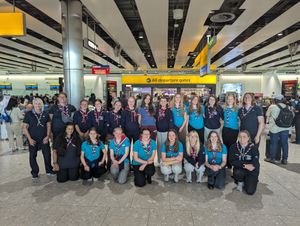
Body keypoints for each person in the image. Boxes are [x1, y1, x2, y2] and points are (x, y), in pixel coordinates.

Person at [23, 98, 55, 180]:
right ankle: (34, 172)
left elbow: (48, 125)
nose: (38, 105)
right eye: (36, 103)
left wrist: (47, 136)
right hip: (33, 139)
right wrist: (29, 139)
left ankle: (49, 170)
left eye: (40, 103)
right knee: (32, 156)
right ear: (33, 104)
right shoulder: (28, 114)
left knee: (47, 155)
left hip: (44, 138)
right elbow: (25, 128)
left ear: (42, 104)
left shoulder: (45, 113)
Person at [229, 130, 260, 195]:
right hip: (240, 169)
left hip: (251, 169)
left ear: (248, 138)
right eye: (240, 137)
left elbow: (256, 161)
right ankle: (240, 181)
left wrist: (253, 167)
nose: (242, 139)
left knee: (250, 191)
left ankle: (250, 180)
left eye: (244, 137)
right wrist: (244, 165)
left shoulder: (253, 147)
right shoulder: (233, 147)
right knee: (237, 173)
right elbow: (232, 161)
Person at [265, 94, 293, 165]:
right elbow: (292, 115)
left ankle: (272, 158)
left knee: (273, 143)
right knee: (285, 144)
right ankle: (284, 159)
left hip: (274, 128)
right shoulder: (287, 107)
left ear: (276, 100)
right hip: (285, 128)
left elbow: (267, 115)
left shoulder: (272, 107)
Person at [222, 94, 240, 168]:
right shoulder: (224, 108)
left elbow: (240, 120)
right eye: (228, 99)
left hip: (234, 130)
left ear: (234, 100)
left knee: (232, 147)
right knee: (225, 146)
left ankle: (230, 163)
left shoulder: (237, 109)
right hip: (225, 129)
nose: (229, 100)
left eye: (231, 99)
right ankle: (225, 162)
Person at [155, 96, 174, 163]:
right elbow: (155, 120)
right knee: (159, 146)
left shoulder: (169, 111)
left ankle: (165, 160)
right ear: (160, 102)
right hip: (158, 131)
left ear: (167, 102)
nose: (163, 102)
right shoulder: (157, 110)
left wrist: (170, 132)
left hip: (166, 132)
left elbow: (171, 122)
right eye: (161, 101)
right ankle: (159, 160)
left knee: (165, 146)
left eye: (164, 101)